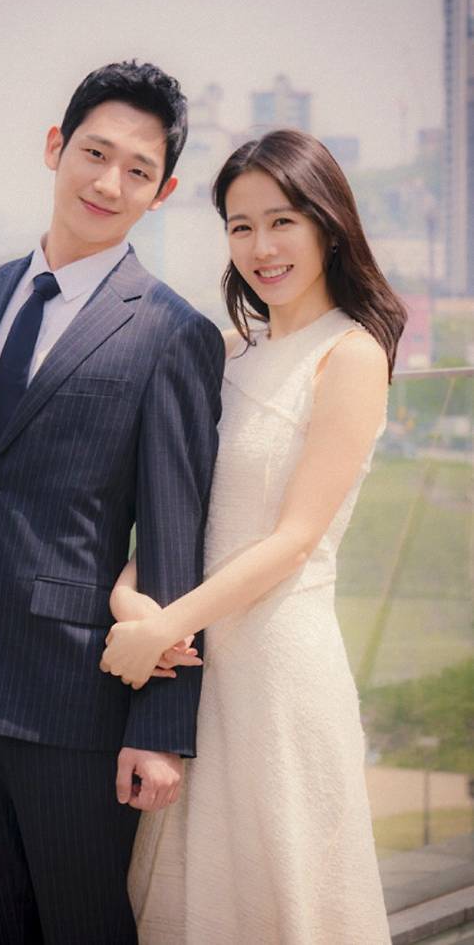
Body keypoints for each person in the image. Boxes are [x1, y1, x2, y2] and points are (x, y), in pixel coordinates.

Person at [0, 60, 224, 945]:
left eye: (138, 170)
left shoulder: (172, 332)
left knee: (84, 929)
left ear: (163, 193)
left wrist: (161, 727)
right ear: (55, 146)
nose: (109, 182)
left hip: (79, 698)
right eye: (95, 153)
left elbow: (176, 541)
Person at [100, 129, 407, 944]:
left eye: (282, 222)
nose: (261, 247)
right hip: (196, 669)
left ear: (328, 225)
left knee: (285, 901)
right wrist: (130, 598)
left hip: (277, 670)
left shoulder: (349, 354)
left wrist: (165, 624)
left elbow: (295, 537)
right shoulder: (228, 352)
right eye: (241, 226)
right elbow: (180, 508)